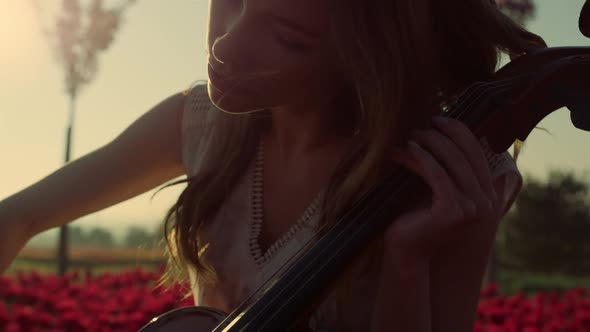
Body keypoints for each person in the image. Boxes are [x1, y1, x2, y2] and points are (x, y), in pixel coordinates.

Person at [0, 0, 545, 330]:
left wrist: (407, 265)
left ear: (362, 55)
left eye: (286, 36)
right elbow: (15, 218)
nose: (226, 47)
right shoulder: (196, 123)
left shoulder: (452, 176)